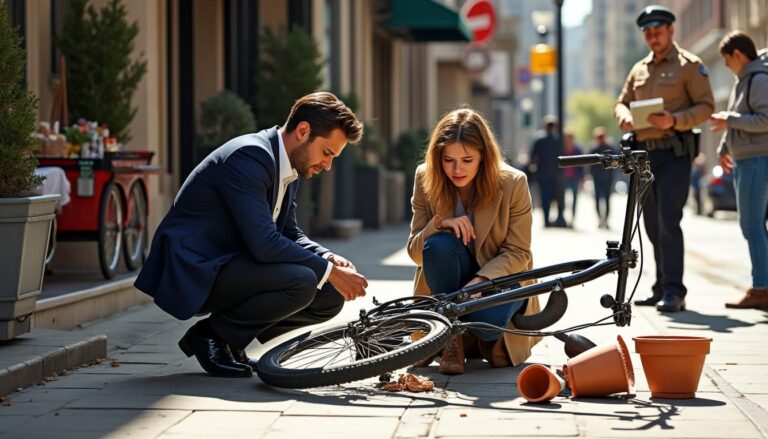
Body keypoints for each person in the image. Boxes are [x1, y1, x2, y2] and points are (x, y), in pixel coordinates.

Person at [135, 92, 369, 378]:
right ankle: (210, 336)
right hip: (195, 267)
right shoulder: (250, 157)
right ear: (303, 131)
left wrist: (327, 257)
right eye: (327, 153)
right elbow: (265, 244)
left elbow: (289, 232)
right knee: (303, 281)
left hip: (231, 262)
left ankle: (232, 340)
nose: (327, 165)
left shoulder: (287, 165)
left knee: (331, 294)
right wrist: (328, 270)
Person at [406, 108, 542, 375]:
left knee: (484, 322)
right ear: (438, 158)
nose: (457, 169)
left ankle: (471, 330)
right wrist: (439, 224)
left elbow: (518, 252)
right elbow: (415, 253)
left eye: (467, 160)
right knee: (437, 246)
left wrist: (478, 283)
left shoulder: (513, 183)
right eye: (449, 160)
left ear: (483, 157)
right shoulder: (425, 177)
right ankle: (450, 336)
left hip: (500, 279)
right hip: (448, 282)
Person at [615, 5, 714, 313]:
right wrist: (625, 118)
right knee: (651, 226)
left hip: (674, 153)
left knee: (669, 220)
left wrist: (674, 120)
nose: (652, 38)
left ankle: (675, 290)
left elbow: (706, 106)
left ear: (671, 31)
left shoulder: (690, 65)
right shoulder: (639, 69)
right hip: (645, 155)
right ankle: (659, 286)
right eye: (647, 33)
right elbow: (621, 102)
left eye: (657, 31)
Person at [710, 31, 768, 309]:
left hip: (757, 160)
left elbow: (764, 120)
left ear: (738, 55)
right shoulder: (743, 81)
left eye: (726, 59)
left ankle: (761, 289)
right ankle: (762, 286)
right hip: (746, 159)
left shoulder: (757, 80)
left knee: (752, 227)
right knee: (754, 226)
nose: (725, 65)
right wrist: (724, 146)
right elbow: (739, 121)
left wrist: (730, 120)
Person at [529, 115, 567, 227]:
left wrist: (533, 167)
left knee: (546, 197)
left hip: (544, 174)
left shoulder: (539, 139)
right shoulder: (557, 139)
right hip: (555, 173)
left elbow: (532, 156)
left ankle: (547, 220)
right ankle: (554, 219)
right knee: (556, 197)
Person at [589, 127, 618, 229]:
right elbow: (590, 164)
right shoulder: (594, 149)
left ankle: (605, 220)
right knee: (597, 199)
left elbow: (617, 162)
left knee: (607, 199)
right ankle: (600, 219)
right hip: (597, 178)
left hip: (608, 177)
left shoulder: (610, 148)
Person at [562, 130, 584, 226]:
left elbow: (582, 165)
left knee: (574, 199)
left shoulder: (577, 149)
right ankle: (563, 217)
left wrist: (582, 179)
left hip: (575, 177)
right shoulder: (562, 148)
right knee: (562, 198)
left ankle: (572, 218)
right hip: (564, 178)